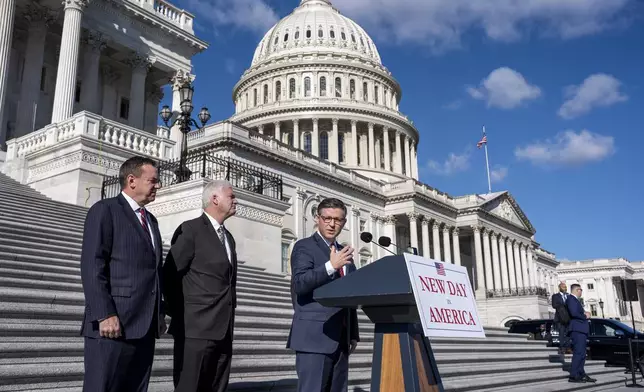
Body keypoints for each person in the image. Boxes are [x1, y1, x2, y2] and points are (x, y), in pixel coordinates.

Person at [80, 156, 165, 392]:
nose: (157, 186)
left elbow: (153, 271)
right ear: (132, 180)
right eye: (153, 180)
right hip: (112, 325)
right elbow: (92, 264)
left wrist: (159, 313)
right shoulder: (105, 210)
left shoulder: (152, 221)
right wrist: (104, 313)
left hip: (144, 327)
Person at [163, 180, 238, 392]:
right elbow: (170, 275)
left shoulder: (228, 238)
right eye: (231, 196)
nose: (235, 200)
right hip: (194, 329)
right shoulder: (190, 230)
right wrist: (182, 313)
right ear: (215, 199)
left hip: (224, 329)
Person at [286, 197, 360, 392]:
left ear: (344, 222)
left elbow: (349, 297)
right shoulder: (304, 246)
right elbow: (300, 284)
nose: (332, 223)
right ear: (317, 218)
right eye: (327, 218)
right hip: (314, 338)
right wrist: (330, 266)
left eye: (337, 219)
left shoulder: (345, 255)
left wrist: (353, 333)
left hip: (341, 339)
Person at [566, 283, 596, 383]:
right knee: (578, 353)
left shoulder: (575, 300)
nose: (581, 292)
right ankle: (573, 375)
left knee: (582, 354)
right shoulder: (571, 299)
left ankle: (581, 373)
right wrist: (585, 316)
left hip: (581, 330)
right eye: (581, 290)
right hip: (577, 329)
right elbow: (574, 313)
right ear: (577, 290)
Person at [551, 282, 572, 354]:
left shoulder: (569, 296)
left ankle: (568, 347)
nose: (565, 288)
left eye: (565, 287)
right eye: (563, 287)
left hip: (568, 318)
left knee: (568, 333)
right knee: (562, 333)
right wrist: (563, 306)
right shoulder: (555, 296)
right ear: (559, 288)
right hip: (560, 318)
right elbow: (554, 305)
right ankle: (562, 347)